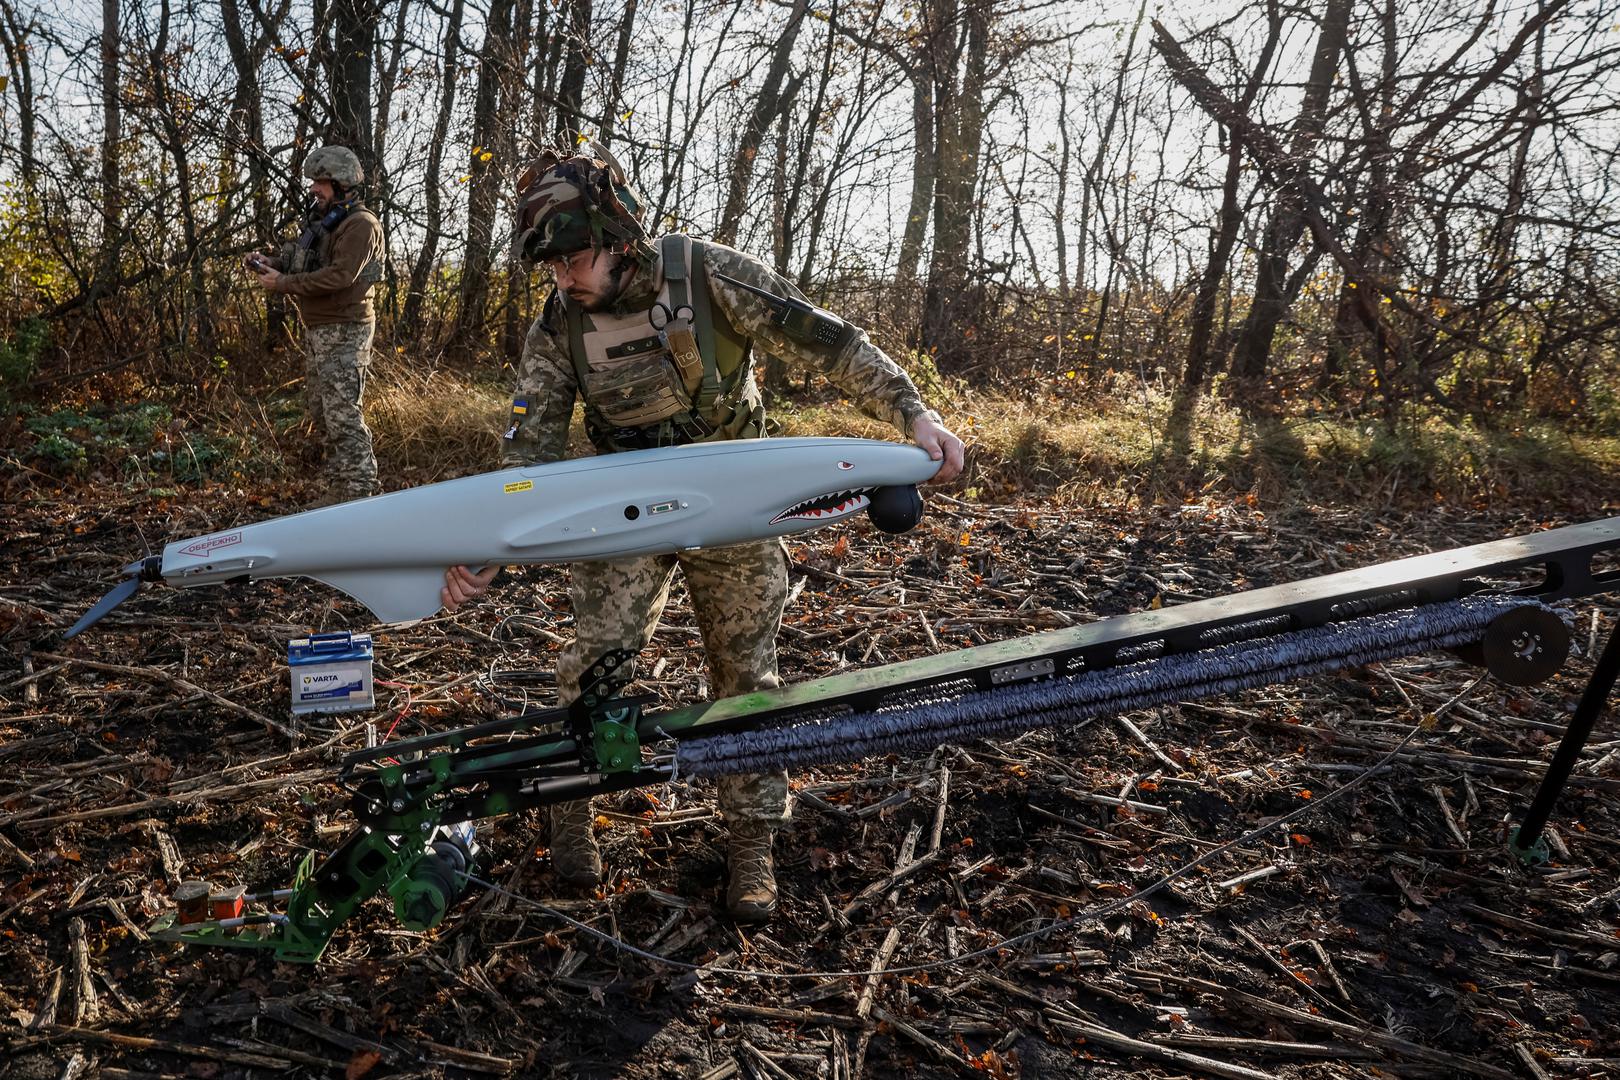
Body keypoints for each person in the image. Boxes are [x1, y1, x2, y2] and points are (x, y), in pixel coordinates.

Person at [442, 147, 964, 921]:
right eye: (550, 265)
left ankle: (752, 843)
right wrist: (488, 541)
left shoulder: (709, 273)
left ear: (619, 237)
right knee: (596, 662)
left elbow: (831, 342)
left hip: (738, 501)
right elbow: (528, 452)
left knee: (746, 673)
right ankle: (572, 809)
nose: (564, 278)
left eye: (575, 258)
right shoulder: (558, 326)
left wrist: (913, 413)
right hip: (623, 504)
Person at [248, 145, 386, 502]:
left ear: (342, 183)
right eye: (314, 182)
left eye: (321, 183)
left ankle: (362, 491)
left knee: (343, 416)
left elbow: (339, 276)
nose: (314, 189)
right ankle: (342, 488)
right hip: (319, 330)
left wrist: (282, 284)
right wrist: (270, 261)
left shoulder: (361, 225)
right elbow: (303, 261)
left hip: (345, 330)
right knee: (322, 414)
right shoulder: (325, 221)